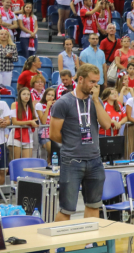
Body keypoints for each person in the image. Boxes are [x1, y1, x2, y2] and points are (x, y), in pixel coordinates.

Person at [49, 64, 116, 221]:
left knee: (93, 205)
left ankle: (90, 244)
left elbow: (106, 125)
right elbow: (53, 134)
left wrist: (97, 101)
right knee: (67, 208)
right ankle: (61, 246)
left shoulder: (96, 101)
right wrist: (72, 143)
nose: (95, 86)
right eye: (92, 81)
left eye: (97, 82)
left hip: (95, 160)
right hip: (72, 160)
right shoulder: (63, 102)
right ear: (80, 79)